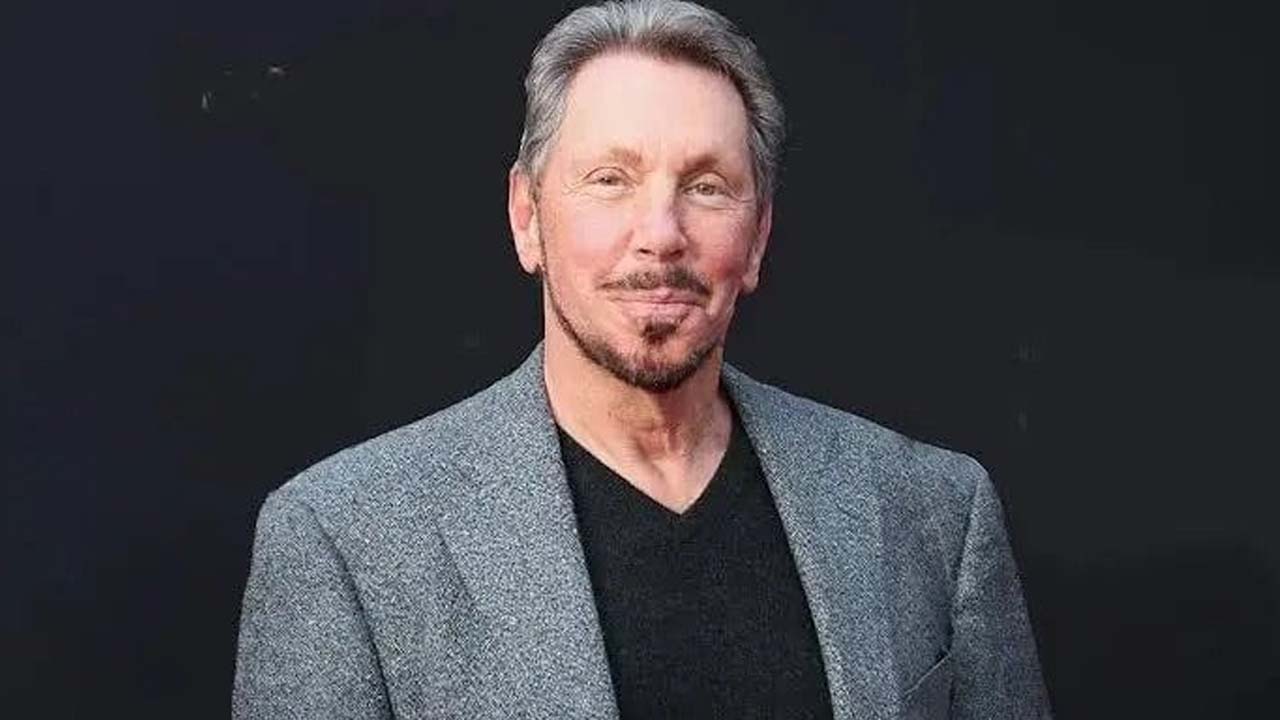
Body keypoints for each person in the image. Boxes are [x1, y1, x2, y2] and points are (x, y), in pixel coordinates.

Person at [232, 1, 1051, 717]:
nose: (661, 234)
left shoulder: (932, 515)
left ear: (758, 237)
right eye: (610, 179)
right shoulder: (345, 540)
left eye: (706, 186)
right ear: (527, 217)